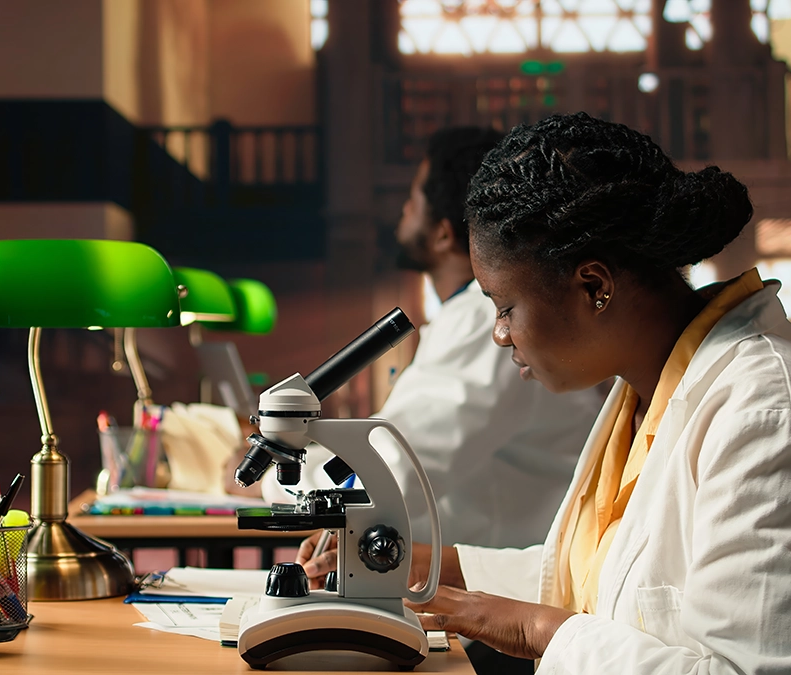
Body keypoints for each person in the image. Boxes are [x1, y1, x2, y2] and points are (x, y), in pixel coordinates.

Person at [298, 113, 791, 672]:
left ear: (594, 285)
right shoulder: (649, 388)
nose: (498, 334)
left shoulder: (770, 421)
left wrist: (530, 628)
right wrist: (426, 567)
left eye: (506, 306)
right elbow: (597, 582)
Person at [255, 127, 603, 551]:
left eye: (413, 199)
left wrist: (278, 480)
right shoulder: (472, 314)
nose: (402, 209)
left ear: (443, 232)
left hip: (501, 579)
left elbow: (394, 470)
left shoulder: (479, 318)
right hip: (477, 568)